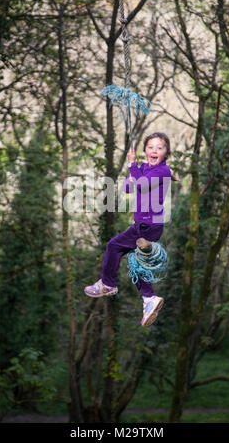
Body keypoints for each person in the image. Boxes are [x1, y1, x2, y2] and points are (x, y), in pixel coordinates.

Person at [84, 132, 176, 327]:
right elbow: (128, 188)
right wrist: (132, 172)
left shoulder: (163, 171)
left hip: (148, 225)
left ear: (166, 153)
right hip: (144, 225)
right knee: (136, 264)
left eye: (160, 148)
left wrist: (132, 165)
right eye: (151, 147)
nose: (154, 151)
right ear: (144, 151)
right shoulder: (143, 168)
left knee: (114, 246)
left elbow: (141, 186)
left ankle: (108, 284)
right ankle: (149, 298)